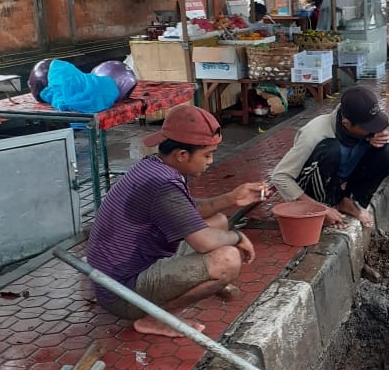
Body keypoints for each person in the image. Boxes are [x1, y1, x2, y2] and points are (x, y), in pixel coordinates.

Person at [86, 105, 266, 337]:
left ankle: (207, 282)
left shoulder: (156, 167)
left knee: (218, 221)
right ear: (182, 155)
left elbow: (188, 210)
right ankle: (154, 318)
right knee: (227, 260)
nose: (211, 161)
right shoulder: (163, 184)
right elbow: (204, 242)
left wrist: (232, 197)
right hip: (122, 293)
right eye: (207, 155)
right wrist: (238, 237)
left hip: (119, 275)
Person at [270, 85, 389, 229]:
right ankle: (324, 207)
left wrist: (378, 140)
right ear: (346, 123)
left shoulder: (368, 128)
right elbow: (280, 176)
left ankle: (350, 201)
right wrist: (319, 208)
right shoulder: (315, 134)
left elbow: (385, 153)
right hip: (315, 184)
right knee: (331, 149)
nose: (373, 130)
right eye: (368, 127)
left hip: (340, 183)